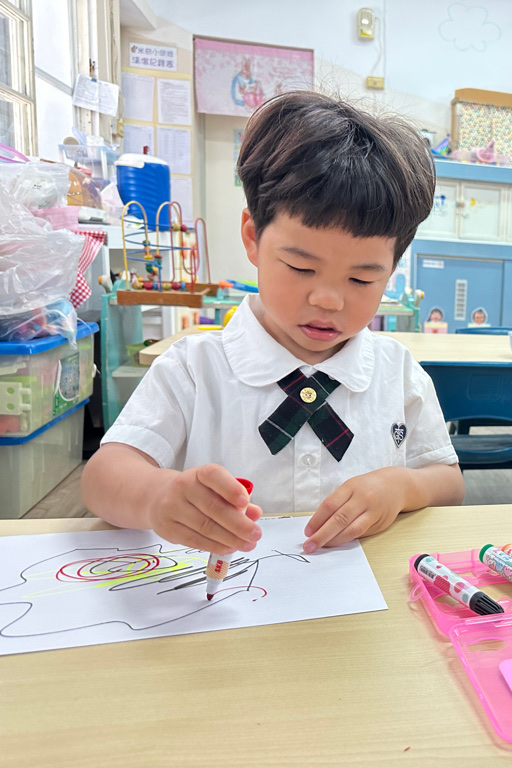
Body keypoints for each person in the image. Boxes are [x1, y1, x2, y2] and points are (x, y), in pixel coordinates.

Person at [82, 92, 464, 556]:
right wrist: (157, 496)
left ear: (392, 269)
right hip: (225, 594)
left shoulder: (397, 373)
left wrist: (402, 487)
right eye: (301, 267)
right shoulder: (195, 369)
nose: (328, 299)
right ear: (252, 237)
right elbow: (102, 477)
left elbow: (448, 482)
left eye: (362, 278)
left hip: (363, 592)